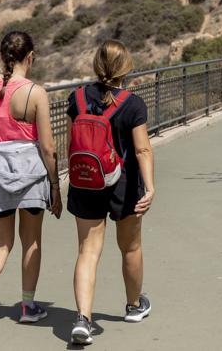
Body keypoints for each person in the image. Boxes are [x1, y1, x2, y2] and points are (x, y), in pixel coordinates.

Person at [0, 30, 63, 341]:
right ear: (30, 57)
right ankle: (28, 306)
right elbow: (48, 147)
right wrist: (55, 187)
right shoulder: (36, 93)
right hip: (30, 174)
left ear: (2, 56)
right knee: (31, 241)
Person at [66, 39, 155, 345]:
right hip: (124, 183)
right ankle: (133, 306)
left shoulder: (76, 98)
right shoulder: (133, 103)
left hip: (85, 180)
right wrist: (151, 187)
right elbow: (142, 149)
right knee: (130, 247)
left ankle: (82, 319)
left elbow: (71, 143)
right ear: (125, 67)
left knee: (87, 251)